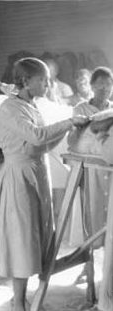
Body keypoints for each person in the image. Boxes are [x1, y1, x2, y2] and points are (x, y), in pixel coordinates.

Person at [0, 57, 89, 311]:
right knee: (21, 238)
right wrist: (68, 122)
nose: (47, 83)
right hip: (18, 176)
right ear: (25, 81)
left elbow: (43, 145)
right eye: (42, 79)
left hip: (38, 172)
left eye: (47, 79)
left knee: (37, 237)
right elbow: (35, 135)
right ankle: (18, 301)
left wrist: (67, 130)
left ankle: (25, 296)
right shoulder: (9, 108)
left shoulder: (33, 106)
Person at [68, 66, 113, 249]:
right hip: (89, 167)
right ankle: (88, 261)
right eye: (100, 84)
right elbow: (72, 140)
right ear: (92, 86)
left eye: (109, 85)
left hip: (108, 167)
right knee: (91, 211)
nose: (105, 89)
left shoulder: (112, 109)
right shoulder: (82, 108)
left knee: (107, 213)